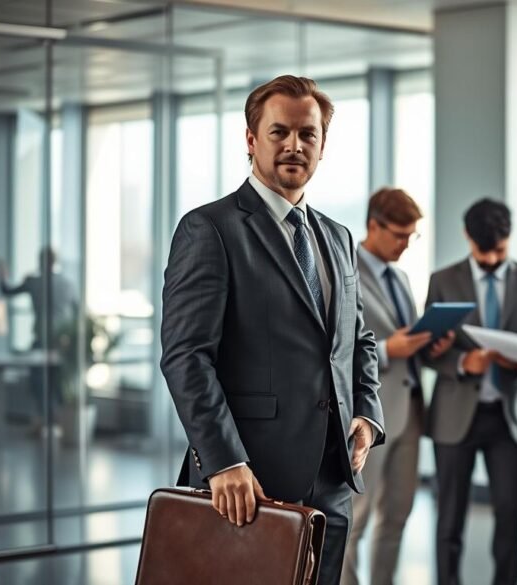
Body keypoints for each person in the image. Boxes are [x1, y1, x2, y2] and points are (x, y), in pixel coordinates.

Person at [160, 75, 385, 585]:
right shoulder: (210, 229)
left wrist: (367, 413)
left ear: (322, 146)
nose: (293, 145)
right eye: (279, 131)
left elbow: (358, 340)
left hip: (332, 480)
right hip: (247, 482)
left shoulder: (338, 237)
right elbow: (186, 357)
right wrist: (223, 462)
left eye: (307, 134)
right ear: (251, 140)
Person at [424, 198, 517, 585]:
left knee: (510, 518)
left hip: (511, 417)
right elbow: (427, 351)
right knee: (449, 520)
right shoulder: (443, 280)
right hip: (455, 415)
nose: (493, 259)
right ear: (467, 237)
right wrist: (462, 363)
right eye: (484, 251)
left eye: (501, 250)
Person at [344, 187, 454, 585]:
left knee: (398, 516)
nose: (406, 244)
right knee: (357, 516)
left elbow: (407, 337)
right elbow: (339, 346)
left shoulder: (402, 276)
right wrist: (392, 348)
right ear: (373, 225)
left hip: (409, 412)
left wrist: (429, 344)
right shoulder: (345, 269)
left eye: (413, 236)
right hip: (369, 415)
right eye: (400, 235)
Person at [0, 247, 79, 430]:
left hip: (43, 340)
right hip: (62, 342)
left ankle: (46, 419)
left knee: (39, 381)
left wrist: (3, 274)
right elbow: (77, 312)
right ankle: (52, 420)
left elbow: (6, 290)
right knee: (56, 382)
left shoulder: (35, 282)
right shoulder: (67, 283)